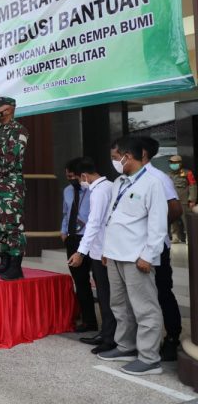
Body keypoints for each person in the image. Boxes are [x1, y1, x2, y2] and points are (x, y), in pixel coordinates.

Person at [97, 136, 167, 376]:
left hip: (136, 256)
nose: (115, 162)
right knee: (119, 305)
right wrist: (106, 250)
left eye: (117, 158)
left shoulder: (152, 183)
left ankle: (150, 358)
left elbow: (158, 224)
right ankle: (126, 346)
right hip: (115, 254)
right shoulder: (119, 182)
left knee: (145, 308)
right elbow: (112, 217)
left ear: (129, 156)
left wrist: (148, 254)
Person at [135, 136, 183, 362]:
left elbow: (175, 209)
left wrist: (156, 229)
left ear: (142, 152)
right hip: (135, 247)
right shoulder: (132, 178)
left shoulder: (158, 177)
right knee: (144, 295)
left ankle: (173, 338)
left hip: (156, 247)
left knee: (163, 291)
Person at [67, 157, 116, 354]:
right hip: (102, 249)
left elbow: (94, 223)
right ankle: (106, 333)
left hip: (101, 251)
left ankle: (109, 338)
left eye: (79, 179)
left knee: (106, 296)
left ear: (85, 176)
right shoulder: (108, 187)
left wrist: (80, 252)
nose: (80, 183)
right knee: (106, 296)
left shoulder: (99, 191)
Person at [0, 97, 29, 280]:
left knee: (12, 225)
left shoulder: (19, 130)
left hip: (10, 187)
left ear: (9, 109)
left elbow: (12, 159)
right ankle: (4, 262)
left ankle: (16, 266)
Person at [61, 157, 97, 333]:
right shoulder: (67, 191)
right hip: (73, 238)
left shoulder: (94, 190)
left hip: (92, 239)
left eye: (72, 176)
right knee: (81, 282)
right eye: (67, 176)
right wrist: (63, 232)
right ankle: (89, 320)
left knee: (99, 280)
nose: (70, 180)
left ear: (81, 175)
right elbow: (66, 213)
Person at [168, 154, 195, 243]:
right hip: (172, 201)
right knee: (173, 219)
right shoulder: (167, 175)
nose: (173, 164)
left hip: (184, 201)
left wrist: (192, 199)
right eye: (171, 162)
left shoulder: (187, 173)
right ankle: (175, 236)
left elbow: (192, 186)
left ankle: (188, 237)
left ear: (180, 163)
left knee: (186, 220)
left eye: (175, 163)